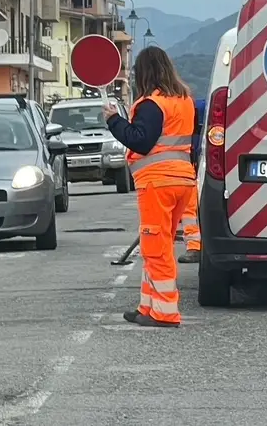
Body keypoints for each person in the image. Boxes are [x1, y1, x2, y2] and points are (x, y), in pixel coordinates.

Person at [104, 46, 197, 328]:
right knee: (158, 244)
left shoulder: (151, 104)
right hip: (182, 180)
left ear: (143, 73)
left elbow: (141, 141)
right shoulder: (184, 101)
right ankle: (148, 307)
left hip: (158, 182)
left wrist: (114, 121)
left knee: (156, 249)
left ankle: (164, 312)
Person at [177, 97, 206, 264]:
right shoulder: (193, 106)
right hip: (192, 163)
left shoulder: (193, 107)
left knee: (189, 208)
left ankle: (195, 246)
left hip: (192, 164)